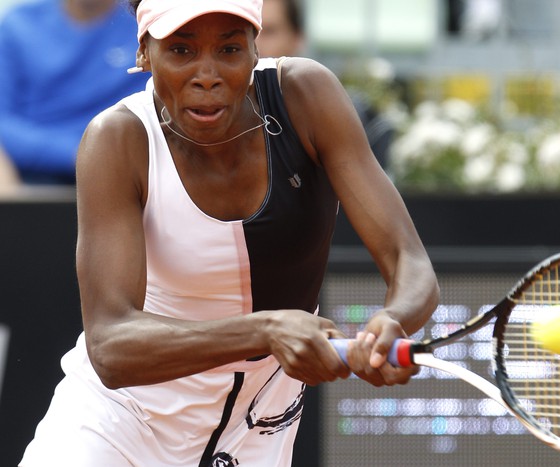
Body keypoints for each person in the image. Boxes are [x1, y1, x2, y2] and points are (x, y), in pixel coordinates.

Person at [19, 0, 440, 465]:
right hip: (117, 426)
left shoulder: (307, 95)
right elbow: (111, 346)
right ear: (143, 52)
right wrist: (264, 330)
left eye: (229, 49)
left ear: (255, 49)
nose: (207, 75)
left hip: (259, 428)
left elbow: (409, 261)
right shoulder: (117, 139)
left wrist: (393, 321)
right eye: (181, 50)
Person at [0, 0, 150, 184]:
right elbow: (3, 123)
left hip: (127, 172)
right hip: (34, 179)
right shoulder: (17, 25)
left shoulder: (145, 22)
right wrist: (79, 153)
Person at [256, 0, 395, 168]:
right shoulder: (226, 115)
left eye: (268, 31)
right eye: (248, 32)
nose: (255, 44)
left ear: (297, 38)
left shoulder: (333, 111)